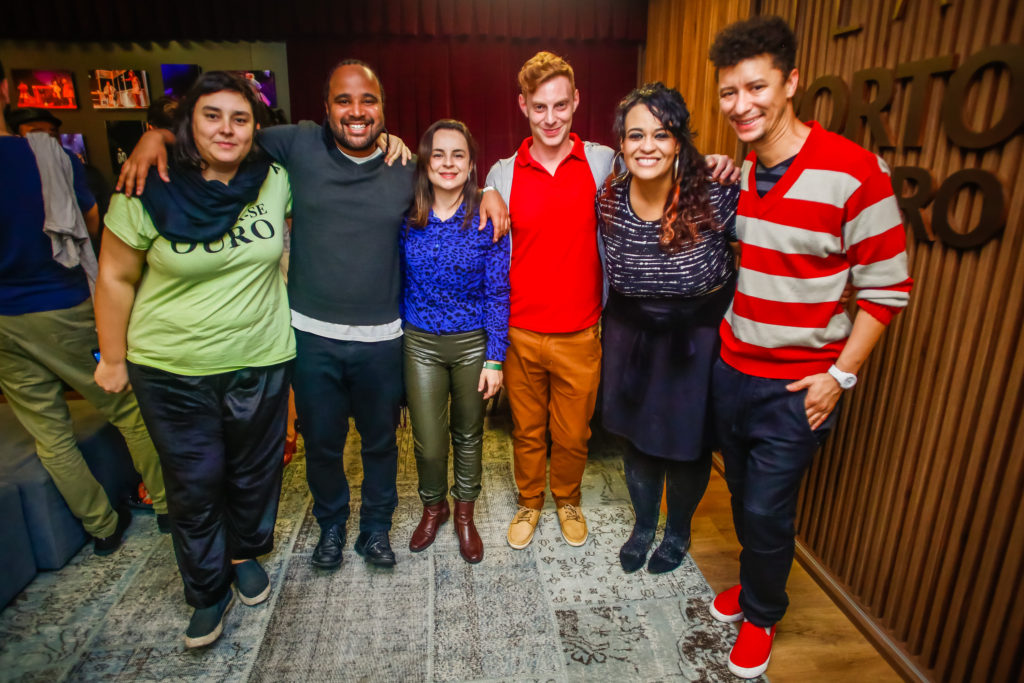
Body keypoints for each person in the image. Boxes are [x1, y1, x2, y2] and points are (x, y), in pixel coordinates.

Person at [117, 59, 509, 571]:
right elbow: (222, 135)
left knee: (380, 443)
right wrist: (159, 139)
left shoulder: (404, 169)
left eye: (368, 100)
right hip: (311, 336)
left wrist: (493, 191)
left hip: (383, 339)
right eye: (343, 101)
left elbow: (451, 180)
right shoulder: (296, 146)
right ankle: (330, 528)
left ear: (383, 111)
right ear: (325, 108)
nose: (356, 111)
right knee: (322, 445)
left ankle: (374, 530)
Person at [706, 17, 913, 678]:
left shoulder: (855, 172)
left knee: (768, 506)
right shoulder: (742, 170)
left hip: (798, 386)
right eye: (729, 92)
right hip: (733, 367)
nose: (741, 104)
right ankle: (754, 574)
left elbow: (887, 289)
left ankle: (763, 612)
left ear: (791, 82)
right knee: (740, 495)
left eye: (756, 87)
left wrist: (840, 377)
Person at [486, 52, 737, 551]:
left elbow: (661, 159)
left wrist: (709, 161)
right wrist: (483, 190)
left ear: (577, 101)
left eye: (561, 104)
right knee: (527, 431)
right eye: (540, 107)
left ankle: (568, 498)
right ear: (523, 106)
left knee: (574, 433)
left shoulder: (605, 163)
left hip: (582, 332)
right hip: (520, 332)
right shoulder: (504, 173)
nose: (551, 117)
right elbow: (470, 196)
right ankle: (529, 501)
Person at [93, 71, 294, 648]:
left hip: (260, 355)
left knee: (253, 475)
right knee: (194, 482)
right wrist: (113, 356)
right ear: (187, 123)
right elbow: (114, 275)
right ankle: (207, 590)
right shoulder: (146, 183)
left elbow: (343, 169)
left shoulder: (275, 178)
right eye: (212, 116)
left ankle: (242, 553)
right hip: (172, 366)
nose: (226, 129)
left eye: (240, 118)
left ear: (257, 128)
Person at [0, 57, 167, 557]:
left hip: (3, 320)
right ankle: (166, 506)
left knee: (48, 431)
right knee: (129, 408)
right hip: (62, 304)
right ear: (4, 91)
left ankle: (101, 526)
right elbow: (94, 228)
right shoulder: (48, 157)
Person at [596, 83, 738, 575]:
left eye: (661, 134)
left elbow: (763, 260)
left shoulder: (717, 194)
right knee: (637, 440)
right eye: (636, 135)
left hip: (696, 340)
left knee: (688, 445)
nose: (647, 146)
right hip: (630, 334)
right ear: (622, 143)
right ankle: (643, 525)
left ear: (679, 141)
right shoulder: (609, 198)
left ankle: (677, 529)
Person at [402, 120, 510, 564]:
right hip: (420, 343)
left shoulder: (488, 215)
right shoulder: (405, 215)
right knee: (427, 439)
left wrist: (495, 358)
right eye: (438, 154)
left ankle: (465, 514)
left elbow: (498, 291)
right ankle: (434, 507)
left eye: (458, 155)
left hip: (472, 345)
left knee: (468, 434)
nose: (448, 163)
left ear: (471, 164)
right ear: (425, 162)